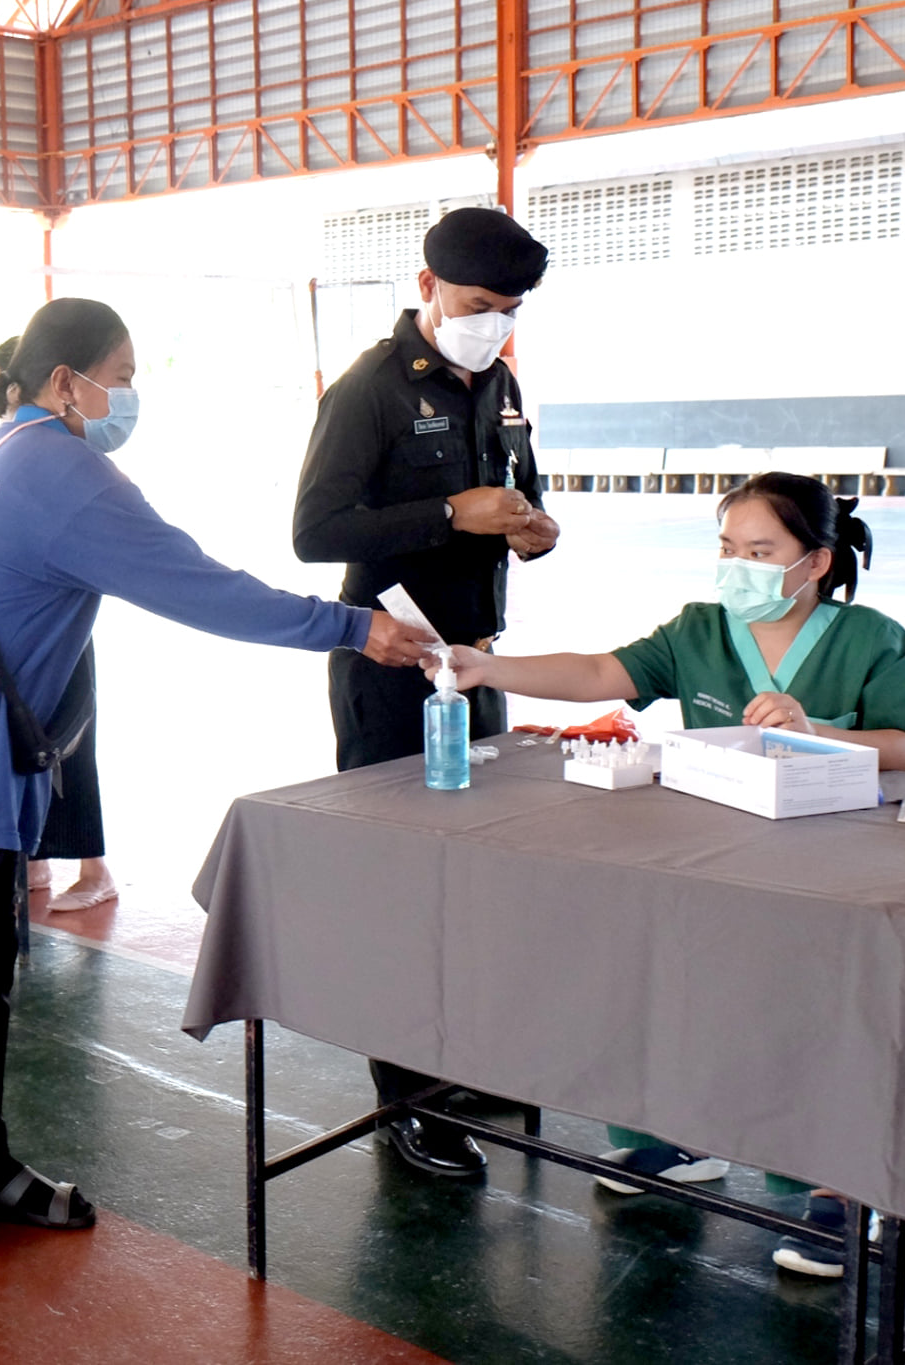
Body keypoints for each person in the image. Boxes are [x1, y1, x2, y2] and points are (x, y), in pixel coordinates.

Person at [0, 297, 431, 1270]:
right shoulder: (59, 473)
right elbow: (196, 584)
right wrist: (352, 626)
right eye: (118, 370)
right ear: (66, 381)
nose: (128, 392)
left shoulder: (3, 452)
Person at [428, 471, 905, 1278]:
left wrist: (818, 729)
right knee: (660, 963)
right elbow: (599, 673)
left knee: (824, 1002)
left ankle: (842, 1183)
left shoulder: (872, 636)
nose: (740, 567)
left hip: (837, 859)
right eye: (728, 549)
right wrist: (492, 670)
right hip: (719, 854)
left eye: (762, 551)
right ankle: (680, 1135)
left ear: (817, 562)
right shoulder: (699, 628)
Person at [292, 205, 560, 1182]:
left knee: (476, 880)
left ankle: (464, 1063)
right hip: (390, 675)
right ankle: (404, 1102)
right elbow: (315, 533)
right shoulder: (368, 391)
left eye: (508, 309)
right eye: (475, 304)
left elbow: (521, 498)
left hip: (474, 668)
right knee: (400, 890)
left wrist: (532, 528)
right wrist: (449, 510)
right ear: (426, 288)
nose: (489, 323)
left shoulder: (503, 390)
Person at [0, 337, 117, 913]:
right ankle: (35, 859)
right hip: (21, 638)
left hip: (58, 636)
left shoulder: (65, 452)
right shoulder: (6, 447)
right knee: (29, 749)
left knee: (70, 749)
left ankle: (95, 868)